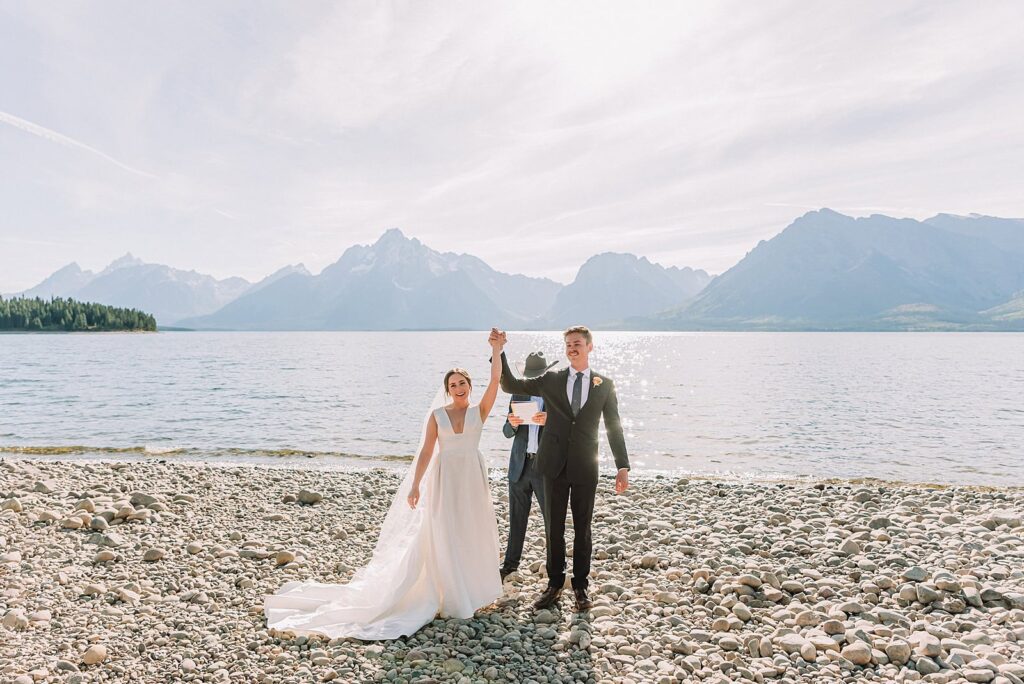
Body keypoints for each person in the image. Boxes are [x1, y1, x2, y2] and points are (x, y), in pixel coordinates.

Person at [263, 336, 505, 640]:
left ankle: (471, 590)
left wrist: (496, 350)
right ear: (448, 389)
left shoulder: (479, 411)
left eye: (462, 383)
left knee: (470, 529)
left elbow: (496, 378)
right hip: (444, 479)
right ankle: (449, 594)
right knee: (444, 531)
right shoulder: (438, 416)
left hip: (471, 478)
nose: (459, 388)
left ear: (470, 385)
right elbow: (427, 453)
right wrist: (416, 485)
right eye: (453, 384)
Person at [491, 325, 629, 613]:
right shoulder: (551, 379)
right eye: (567, 344)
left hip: (585, 466)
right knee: (554, 529)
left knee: (583, 528)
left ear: (589, 346)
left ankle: (580, 586)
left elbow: (613, 426)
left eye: (577, 343)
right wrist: (499, 351)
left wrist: (622, 465)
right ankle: (554, 584)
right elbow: (510, 385)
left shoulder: (604, 384)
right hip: (551, 466)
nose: (572, 348)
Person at [499, 351, 558, 582]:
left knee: (551, 521)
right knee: (516, 519)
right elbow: (505, 432)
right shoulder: (518, 394)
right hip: (519, 467)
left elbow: (569, 431)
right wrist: (512, 425)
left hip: (545, 469)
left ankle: (555, 567)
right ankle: (510, 566)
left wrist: (549, 420)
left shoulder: (556, 394)